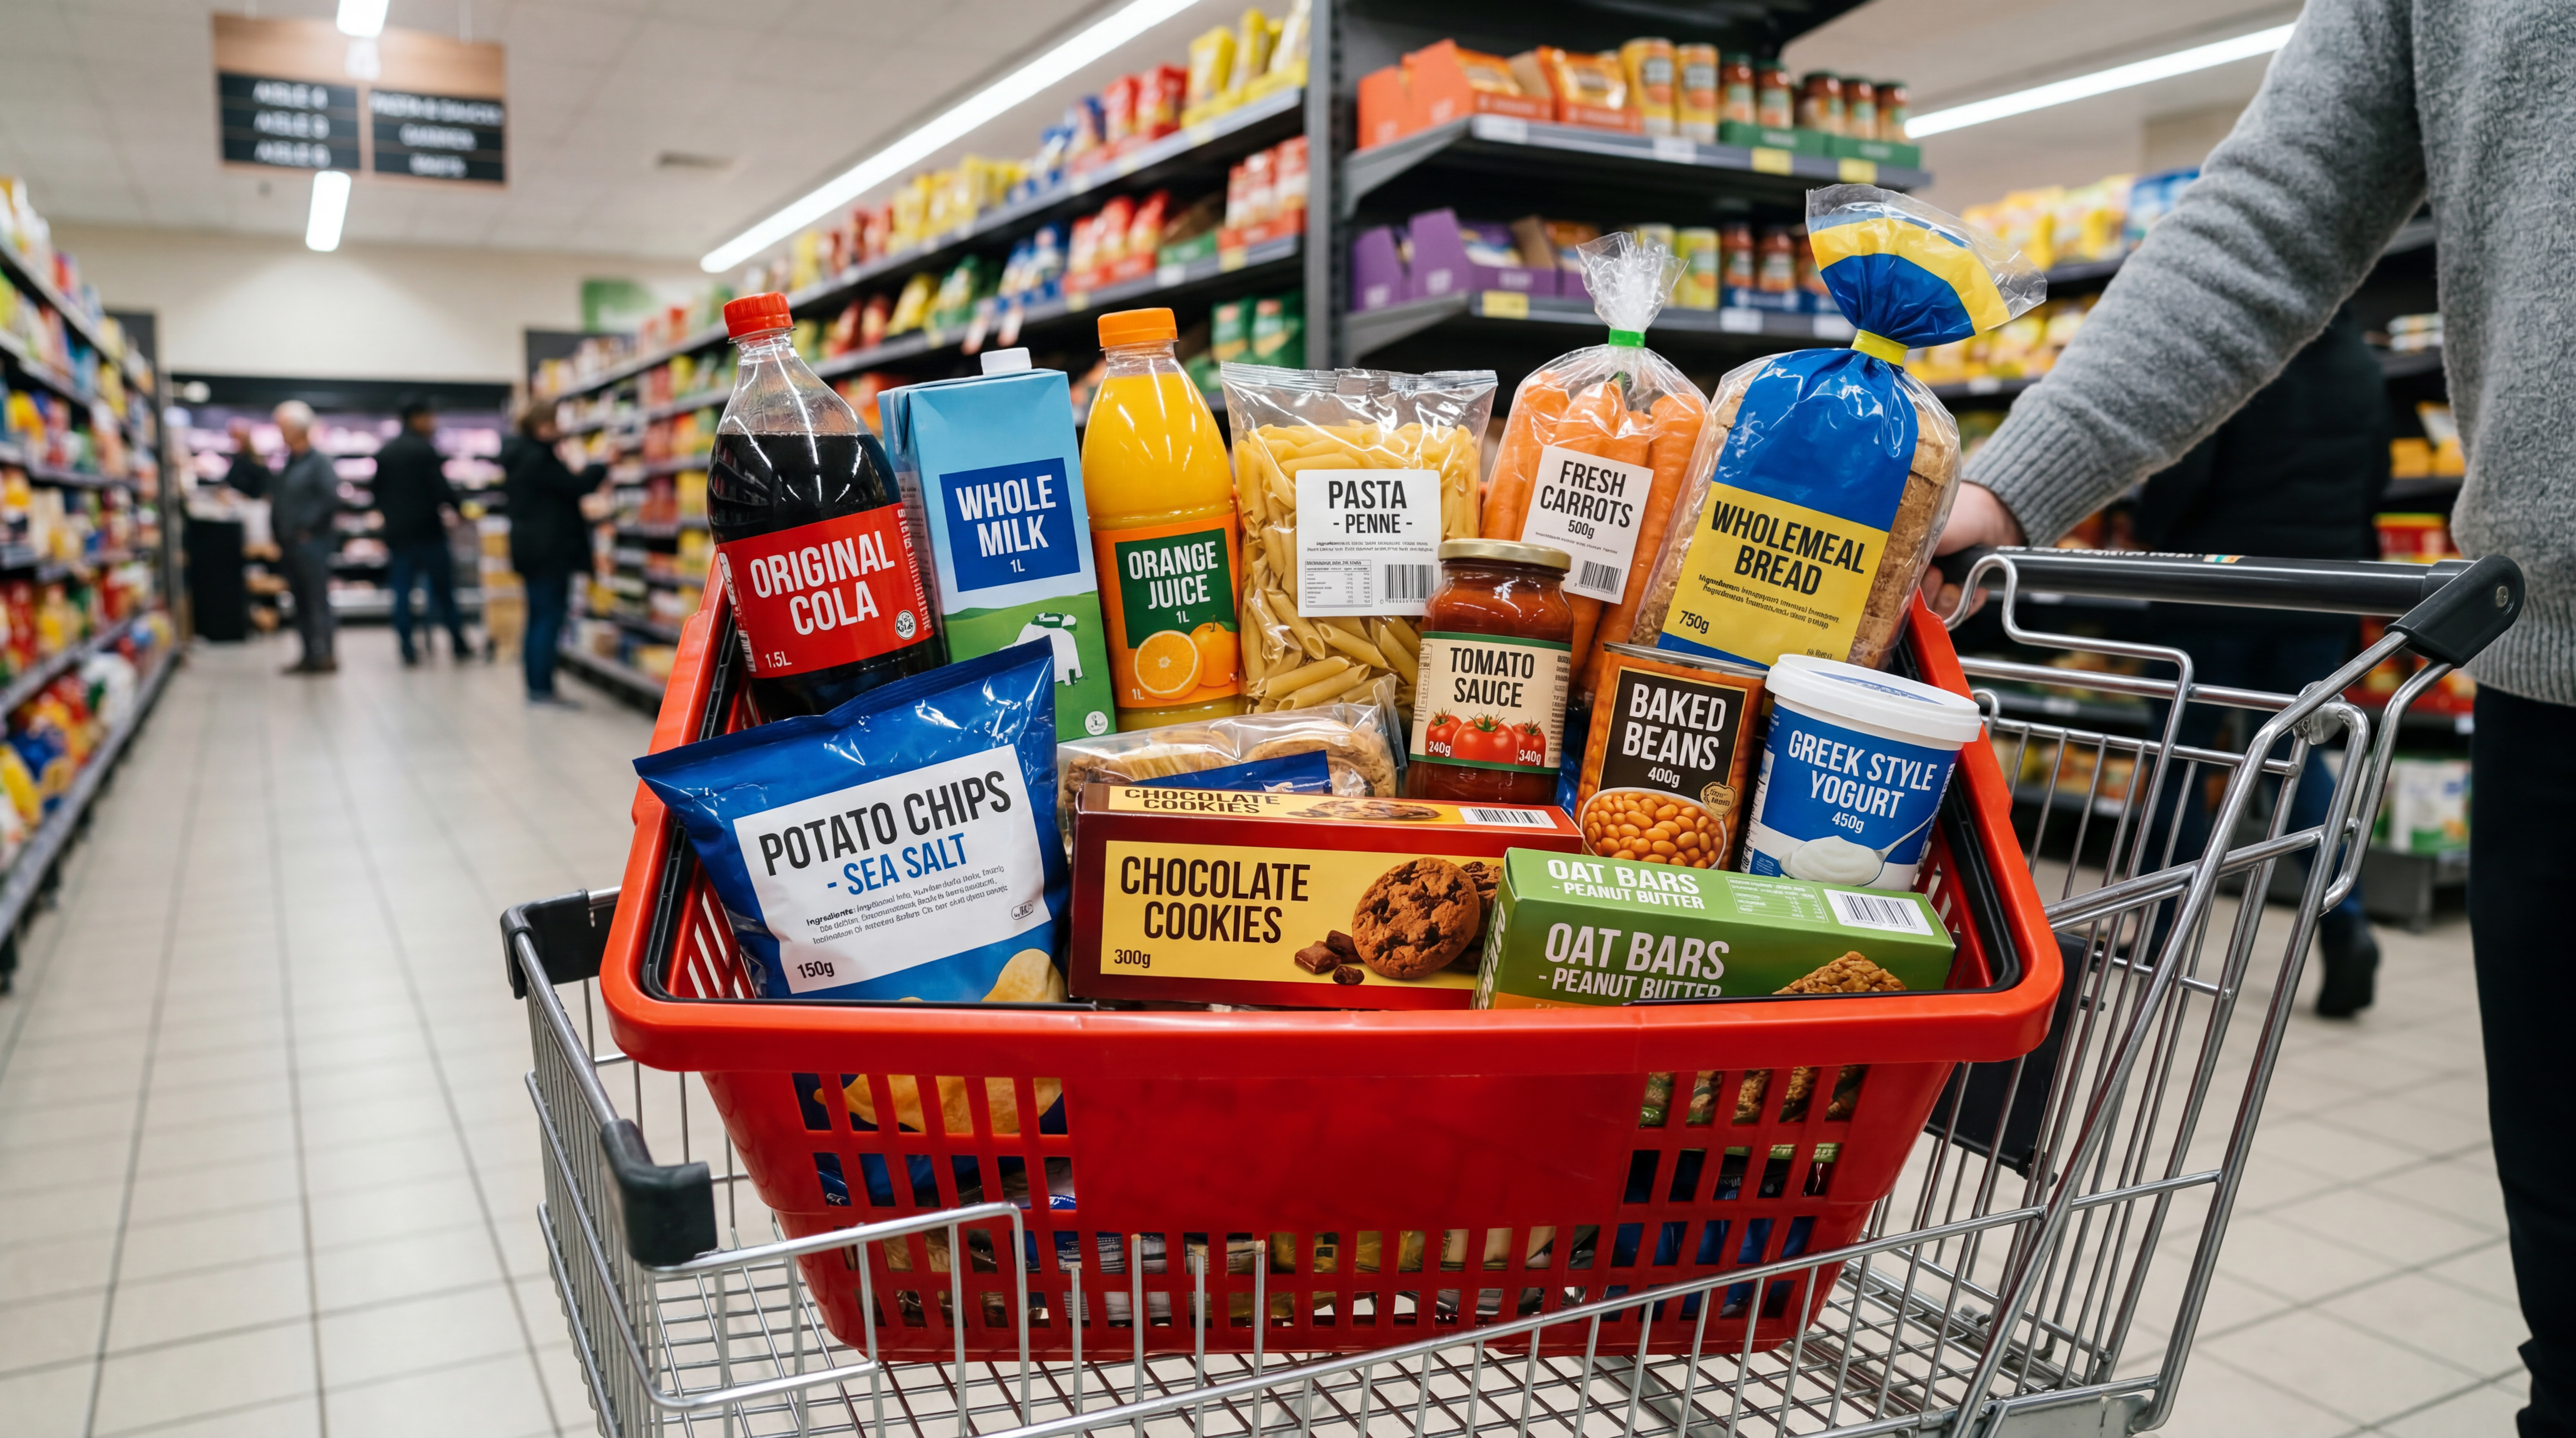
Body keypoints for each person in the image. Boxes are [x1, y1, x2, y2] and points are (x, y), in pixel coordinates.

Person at [1927, 4, 2574, 1430]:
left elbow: (2201, 458)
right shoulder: (2353, 377)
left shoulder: (2280, 391)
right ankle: (2316, 918)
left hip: (2228, 604)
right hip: (2513, 670)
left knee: (2211, 787)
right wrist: (2006, 489)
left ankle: (2163, 926)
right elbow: (2272, 209)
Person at [2130, 308, 2389, 1016]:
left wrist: (2148, 538)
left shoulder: (2241, 351)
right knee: (2296, 756)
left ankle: (2162, 934)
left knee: (2184, 757)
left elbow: (2185, 473)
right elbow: (2374, 481)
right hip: (2321, 589)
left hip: (2216, 585)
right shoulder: (2362, 364)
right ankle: (2344, 919)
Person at [227, 401, 343, 675]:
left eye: (283, 427)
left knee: (316, 599)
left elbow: (329, 500)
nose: (280, 432)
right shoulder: (289, 462)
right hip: (289, 543)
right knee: (300, 601)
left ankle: (325, 655)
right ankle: (308, 654)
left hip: (311, 543)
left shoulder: (319, 463)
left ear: (298, 429)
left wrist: (307, 529)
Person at [500, 408, 605, 707]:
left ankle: (537, 686)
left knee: (537, 617)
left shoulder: (519, 455)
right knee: (548, 618)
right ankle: (542, 689)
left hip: (531, 550)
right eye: (554, 423)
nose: (559, 429)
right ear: (541, 426)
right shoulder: (538, 458)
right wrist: (600, 465)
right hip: (549, 551)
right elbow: (576, 487)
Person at [373, 398, 473, 666]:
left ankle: (407, 648)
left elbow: (377, 494)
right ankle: (459, 643)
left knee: (402, 594)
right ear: (416, 418)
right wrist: (461, 511)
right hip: (429, 533)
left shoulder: (386, 453)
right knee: (444, 591)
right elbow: (441, 490)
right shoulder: (425, 451)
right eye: (429, 417)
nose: (433, 423)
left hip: (398, 536)